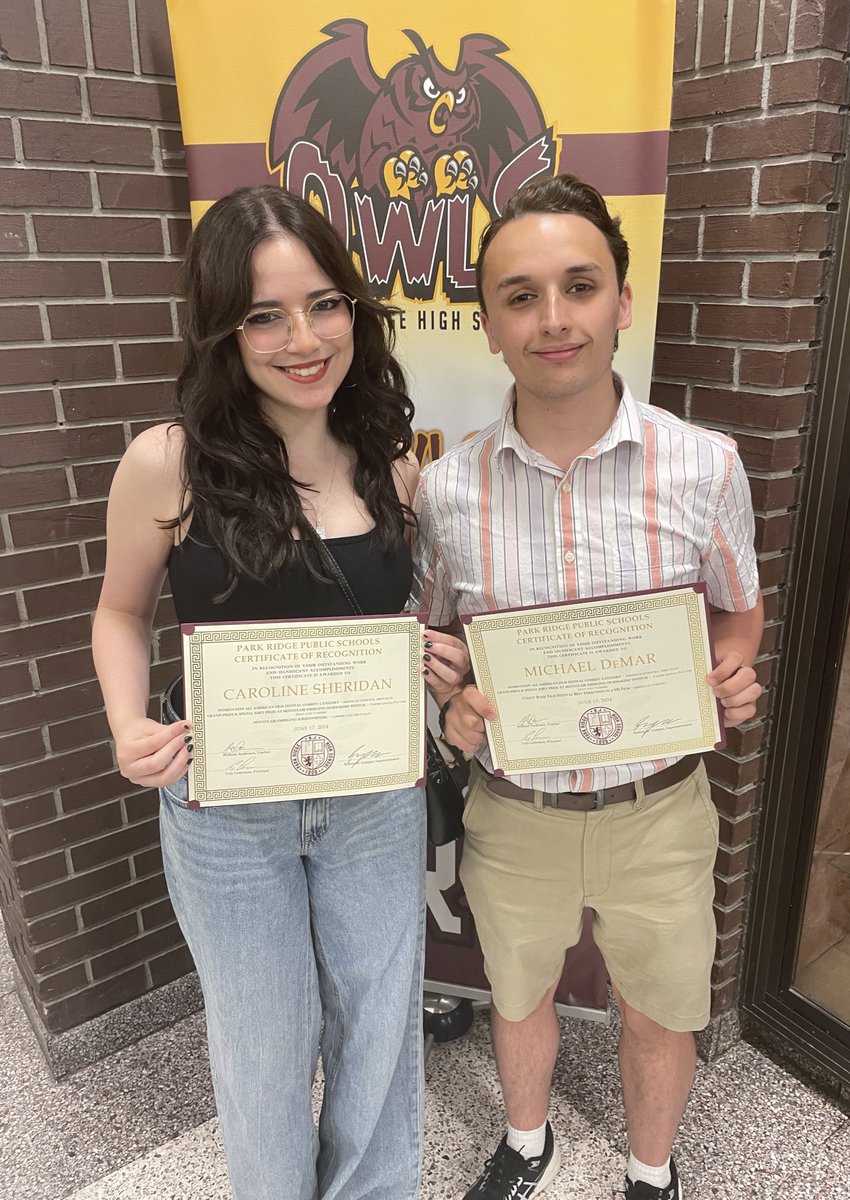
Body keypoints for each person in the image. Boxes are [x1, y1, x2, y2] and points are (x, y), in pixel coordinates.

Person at [91, 185, 467, 1200]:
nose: (303, 337)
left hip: (374, 803)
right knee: (261, 1048)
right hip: (225, 812)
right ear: (223, 330)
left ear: (355, 308)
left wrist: (437, 658)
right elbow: (120, 614)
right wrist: (130, 723)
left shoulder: (391, 463)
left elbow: (407, 620)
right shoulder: (167, 465)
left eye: (324, 303)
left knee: (380, 1027)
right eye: (264, 314)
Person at [412, 174, 763, 1200]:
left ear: (622, 300)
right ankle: (529, 1145)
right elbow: (440, 641)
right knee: (517, 995)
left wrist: (733, 665)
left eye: (579, 285)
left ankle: (650, 1172)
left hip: (659, 809)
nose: (552, 317)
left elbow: (738, 609)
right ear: (488, 326)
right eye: (520, 295)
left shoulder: (706, 468)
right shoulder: (445, 489)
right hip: (515, 809)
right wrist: (453, 703)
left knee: (661, 1007)